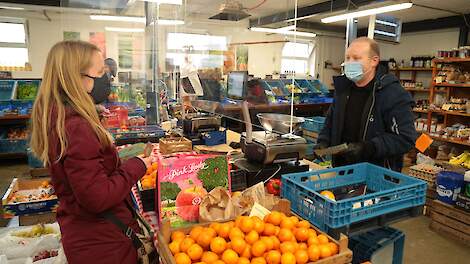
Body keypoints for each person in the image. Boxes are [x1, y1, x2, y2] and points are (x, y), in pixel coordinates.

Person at [30, 40, 152, 264]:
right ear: (76, 78)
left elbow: (85, 175)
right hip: (102, 244)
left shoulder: (58, 116)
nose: (106, 80)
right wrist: (138, 165)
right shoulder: (76, 126)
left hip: (86, 234)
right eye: (100, 72)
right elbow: (97, 197)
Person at [317, 37, 417, 171]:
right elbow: (331, 121)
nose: (349, 63)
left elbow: (405, 139)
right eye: (347, 58)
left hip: (376, 174)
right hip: (341, 170)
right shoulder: (343, 90)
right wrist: (323, 141)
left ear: (374, 61)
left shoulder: (393, 94)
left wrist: (369, 147)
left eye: (356, 58)